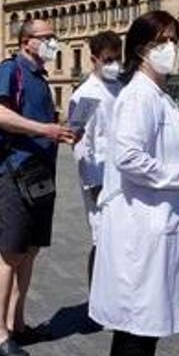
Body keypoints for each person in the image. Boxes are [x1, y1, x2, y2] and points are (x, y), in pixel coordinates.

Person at [89, 11, 179, 356]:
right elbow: (130, 158)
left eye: (174, 39)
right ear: (141, 49)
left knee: (141, 328)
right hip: (141, 229)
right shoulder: (138, 96)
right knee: (137, 328)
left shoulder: (158, 96)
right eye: (161, 42)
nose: (170, 48)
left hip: (155, 225)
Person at [0, 19, 75, 356]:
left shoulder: (39, 78)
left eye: (55, 36)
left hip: (39, 175)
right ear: (26, 42)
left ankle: (17, 323)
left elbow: (41, 128)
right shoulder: (10, 70)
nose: (54, 42)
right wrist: (45, 130)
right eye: (47, 37)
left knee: (30, 250)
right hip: (13, 173)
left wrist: (60, 133)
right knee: (10, 253)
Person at [69, 30, 123, 285]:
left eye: (117, 59)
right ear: (94, 59)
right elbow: (78, 141)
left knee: (121, 237)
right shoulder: (85, 95)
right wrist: (91, 181)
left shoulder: (122, 89)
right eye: (108, 59)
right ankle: (97, 296)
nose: (114, 65)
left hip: (124, 174)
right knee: (101, 238)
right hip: (99, 177)